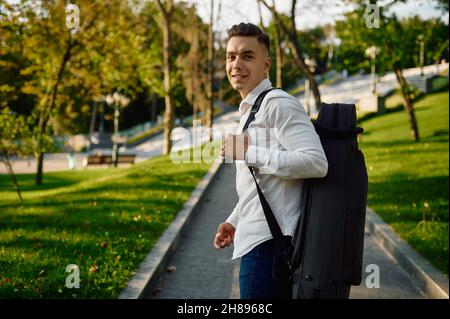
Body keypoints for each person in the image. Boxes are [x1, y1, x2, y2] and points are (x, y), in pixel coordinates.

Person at [213, 23, 328, 299]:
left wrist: (248, 153)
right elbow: (264, 185)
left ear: (266, 65)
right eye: (231, 56)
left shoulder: (277, 104)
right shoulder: (253, 110)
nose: (236, 64)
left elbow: (316, 162)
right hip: (257, 244)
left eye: (247, 56)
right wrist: (235, 220)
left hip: (268, 250)